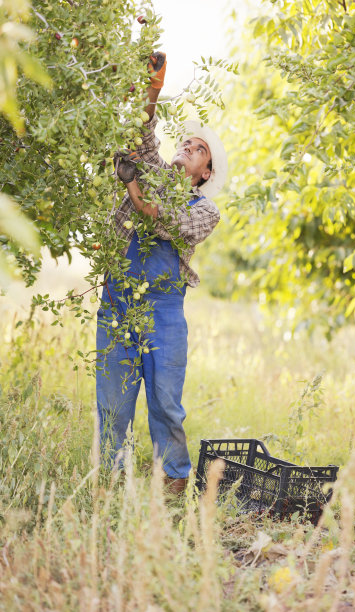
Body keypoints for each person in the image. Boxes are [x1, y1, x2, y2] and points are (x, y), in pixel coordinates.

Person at [96, 53, 228, 493]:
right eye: (186, 142)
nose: (189, 147)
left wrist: (130, 182)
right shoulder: (153, 173)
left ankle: (173, 485)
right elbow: (142, 130)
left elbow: (156, 217)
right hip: (118, 302)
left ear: (204, 173)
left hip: (164, 315)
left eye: (199, 149)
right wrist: (154, 86)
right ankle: (111, 485)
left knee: (165, 404)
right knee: (113, 400)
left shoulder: (205, 211)